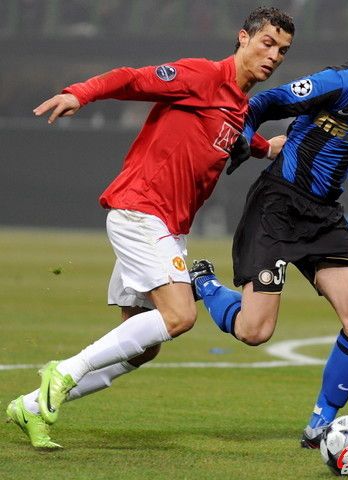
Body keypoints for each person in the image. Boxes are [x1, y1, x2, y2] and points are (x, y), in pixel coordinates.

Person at [6, 7, 294, 449]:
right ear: (243, 38)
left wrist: (266, 148)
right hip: (141, 211)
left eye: (282, 50)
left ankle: (29, 406)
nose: (273, 55)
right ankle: (62, 372)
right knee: (180, 316)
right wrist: (80, 94)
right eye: (267, 43)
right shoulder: (201, 75)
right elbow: (132, 78)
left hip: (168, 227)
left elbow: (233, 134)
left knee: (143, 347)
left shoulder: (238, 106)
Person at [190, 9, 348, 449]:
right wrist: (244, 138)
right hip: (278, 205)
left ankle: (320, 426)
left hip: (323, 216)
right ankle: (204, 283)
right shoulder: (338, 83)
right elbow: (262, 103)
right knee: (254, 332)